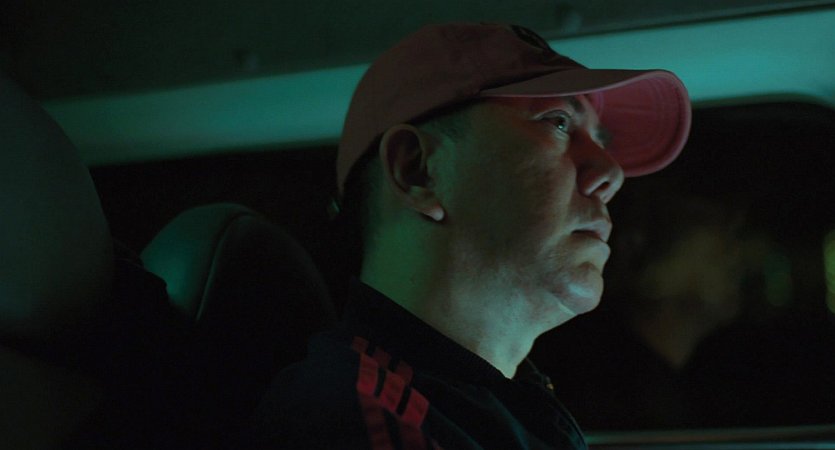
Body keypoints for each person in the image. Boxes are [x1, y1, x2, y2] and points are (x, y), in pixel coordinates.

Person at [251, 22, 691, 449]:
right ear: (417, 171)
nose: (611, 173)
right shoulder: (359, 422)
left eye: (600, 140)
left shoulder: (486, 412)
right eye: (557, 122)